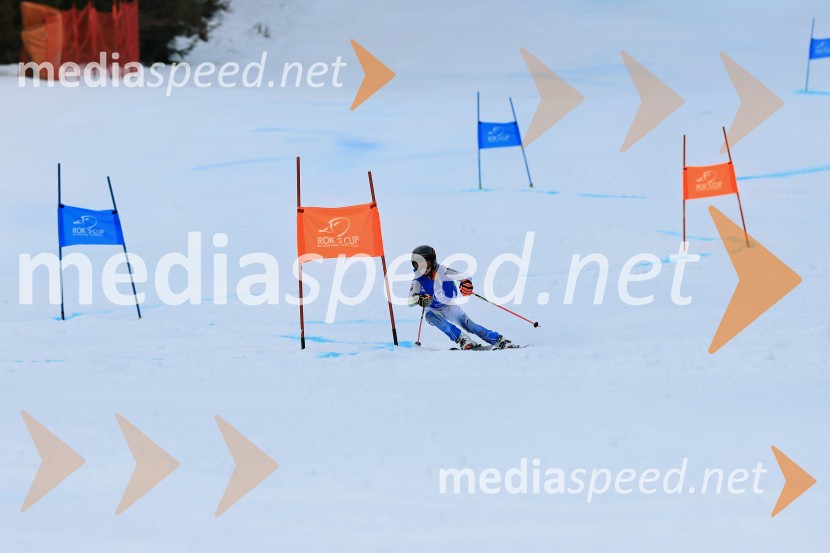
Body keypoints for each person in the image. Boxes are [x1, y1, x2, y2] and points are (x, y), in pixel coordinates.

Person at [409, 245, 512, 350]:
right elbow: (410, 301)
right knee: (431, 316)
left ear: (432, 260)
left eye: (425, 263)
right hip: (432, 310)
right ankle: (462, 339)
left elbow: (465, 277)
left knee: (470, 326)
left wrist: (466, 283)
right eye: (418, 265)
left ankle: (498, 340)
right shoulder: (418, 280)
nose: (422, 268)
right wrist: (418, 299)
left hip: (449, 306)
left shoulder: (443, 271)